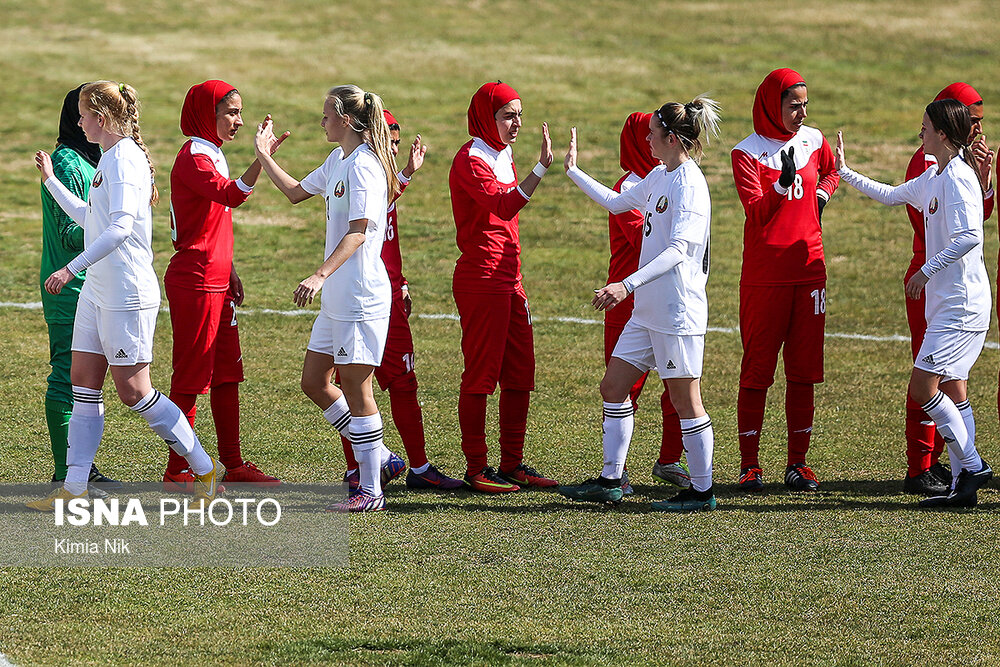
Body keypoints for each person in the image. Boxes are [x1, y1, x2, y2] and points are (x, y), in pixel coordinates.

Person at [28, 80, 223, 511]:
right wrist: (51, 182)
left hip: (126, 294)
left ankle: (205, 468)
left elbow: (117, 230)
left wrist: (69, 268)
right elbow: (90, 216)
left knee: (135, 393)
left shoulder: (125, 162)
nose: (77, 122)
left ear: (100, 118)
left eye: (83, 115)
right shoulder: (108, 158)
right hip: (97, 292)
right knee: (83, 385)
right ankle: (74, 488)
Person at [559, 96, 720, 512]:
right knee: (613, 387)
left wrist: (625, 286)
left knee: (687, 401)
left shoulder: (689, 183)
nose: (645, 138)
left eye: (651, 132)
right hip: (647, 310)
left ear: (670, 137)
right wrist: (574, 171)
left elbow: (678, 251)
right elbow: (616, 204)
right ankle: (611, 480)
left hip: (675, 311)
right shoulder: (660, 174)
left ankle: (702, 492)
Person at [836, 99, 993, 508]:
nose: (918, 131)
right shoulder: (934, 175)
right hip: (947, 305)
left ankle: (972, 466)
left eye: (924, 126)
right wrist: (845, 172)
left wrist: (926, 269)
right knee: (955, 390)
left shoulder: (959, 178)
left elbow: (970, 236)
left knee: (923, 386)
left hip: (961, 304)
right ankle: (963, 486)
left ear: (942, 133)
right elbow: (890, 195)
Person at [253, 85, 402, 512]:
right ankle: (383, 459)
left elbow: (359, 232)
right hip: (337, 298)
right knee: (315, 382)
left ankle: (370, 489)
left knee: (356, 385)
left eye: (325, 116)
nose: (321, 122)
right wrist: (264, 156)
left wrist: (319, 275)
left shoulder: (365, 168)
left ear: (348, 120)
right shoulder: (339, 159)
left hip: (359, 297)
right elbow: (297, 192)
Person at [163, 80, 287, 492]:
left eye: (240, 112)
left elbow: (212, 217)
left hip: (216, 279)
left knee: (227, 375)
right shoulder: (194, 156)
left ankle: (233, 464)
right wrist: (262, 159)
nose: (239, 120)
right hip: (196, 282)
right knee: (190, 379)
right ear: (206, 114)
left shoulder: (211, 152)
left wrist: (229, 267)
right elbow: (231, 196)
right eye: (231, 112)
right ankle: (178, 470)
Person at [339, 110, 463, 491]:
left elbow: (388, 238)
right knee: (346, 383)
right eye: (389, 142)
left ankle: (418, 468)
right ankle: (365, 467)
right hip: (362, 298)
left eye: (396, 143)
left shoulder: (381, 178)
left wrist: (403, 281)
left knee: (402, 382)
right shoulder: (360, 174)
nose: (393, 149)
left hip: (389, 295)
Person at [731, 68, 840, 492]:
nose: (801, 112)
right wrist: (781, 184)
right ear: (771, 105)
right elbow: (756, 213)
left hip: (810, 271)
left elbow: (830, 171)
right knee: (758, 370)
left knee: (804, 370)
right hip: (765, 278)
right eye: (793, 104)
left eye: (805, 104)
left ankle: (799, 464)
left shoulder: (813, 140)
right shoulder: (747, 153)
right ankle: (749, 464)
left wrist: (819, 195)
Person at [448, 81, 557, 493]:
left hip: (510, 278)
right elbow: (504, 204)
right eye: (508, 115)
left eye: (520, 115)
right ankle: (477, 468)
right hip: (482, 279)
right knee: (481, 375)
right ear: (486, 118)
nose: (517, 124)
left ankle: (512, 463)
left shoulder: (502, 152)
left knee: (519, 372)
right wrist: (541, 168)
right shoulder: (471, 159)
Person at [899, 83, 995, 495]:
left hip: (951, 292)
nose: (978, 129)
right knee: (940, 383)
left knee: (939, 386)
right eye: (973, 121)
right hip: (936, 289)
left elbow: (975, 226)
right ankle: (937, 471)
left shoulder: (960, 169)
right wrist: (845, 173)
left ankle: (965, 472)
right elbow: (908, 203)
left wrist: (985, 179)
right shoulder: (933, 167)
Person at [38, 84, 121, 494]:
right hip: (68, 284)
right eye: (91, 110)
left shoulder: (96, 157)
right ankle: (65, 473)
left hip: (92, 282)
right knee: (67, 378)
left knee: (87, 382)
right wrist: (113, 229)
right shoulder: (68, 162)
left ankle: (79, 471)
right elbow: (69, 230)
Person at [606, 112, 690, 493]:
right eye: (644, 136)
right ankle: (616, 471)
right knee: (624, 387)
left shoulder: (670, 179)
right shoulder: (630, 185)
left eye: (652, 135)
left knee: (677, 384)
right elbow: (648, 237)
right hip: (626, 300)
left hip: (663, 297)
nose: (649, 143)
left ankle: (669, 459)